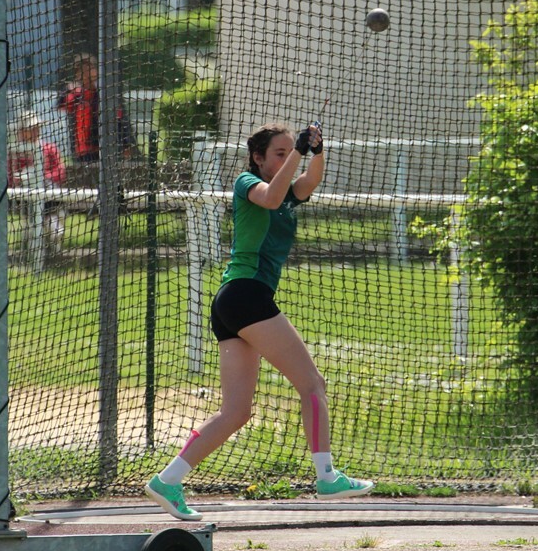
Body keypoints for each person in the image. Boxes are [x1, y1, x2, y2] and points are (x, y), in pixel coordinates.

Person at [145, 120, 372, 520]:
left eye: (289, 151)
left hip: (237, 301)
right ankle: (327, 476)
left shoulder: (288, 191)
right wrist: (299, 152)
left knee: (236, 412)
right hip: (245, 295)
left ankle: (167, 481)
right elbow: (269, 198)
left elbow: (309, 183)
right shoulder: (247, 182)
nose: (287, 158)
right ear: (258, 157)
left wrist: (315, 150)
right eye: (279, 153)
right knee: (313, 385)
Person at [55, 52, 138, 165]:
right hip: (82, 152)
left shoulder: (104, 94)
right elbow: (60, 104)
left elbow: (118, 119)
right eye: (81, 70)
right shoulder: (76, 94)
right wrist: (68, 88)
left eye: (90, 68)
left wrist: (126, 144)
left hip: (103, 149)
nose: (86, 73)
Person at [8, 110, 67, 259]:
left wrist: (40, 177)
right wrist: (25, 178)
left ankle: (49, 227)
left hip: (49, 194)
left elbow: (60, 172)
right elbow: (10, 177)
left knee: (47, 186)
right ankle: (49, 228)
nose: (35, 131)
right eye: (30, 129)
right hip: (25, 197)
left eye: (36, 127)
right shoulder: (15, 152)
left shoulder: (49, 148)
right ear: (21, 132)